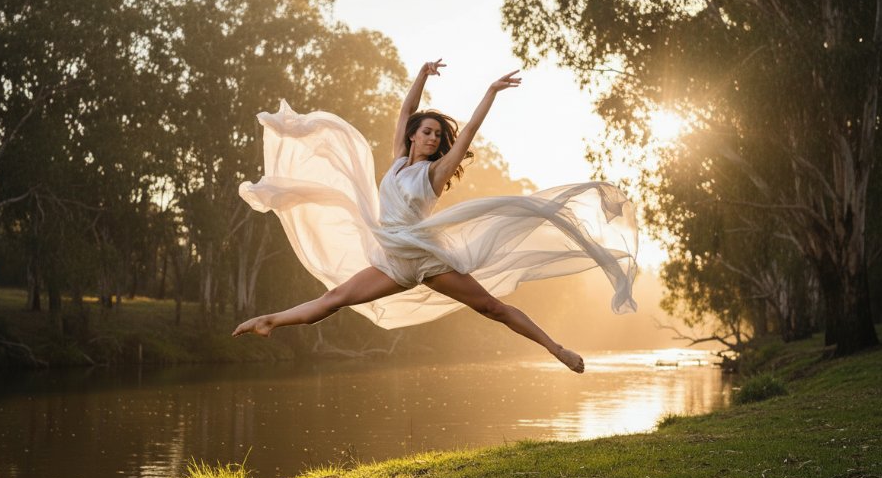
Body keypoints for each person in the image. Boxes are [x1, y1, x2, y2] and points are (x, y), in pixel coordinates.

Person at [233, 59, 639, 373]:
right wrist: (422, 75)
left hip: (426, 260)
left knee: (492, 308)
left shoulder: (434, 173)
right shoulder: (395, 162)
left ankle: (558, 349)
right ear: (412, 135)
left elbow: (467, 135)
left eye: (436, 135)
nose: (432, 138)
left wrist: (490, 92)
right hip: (392, 261)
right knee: (335, 298)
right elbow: (405, 108)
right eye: (425, 132)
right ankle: (270, 321)